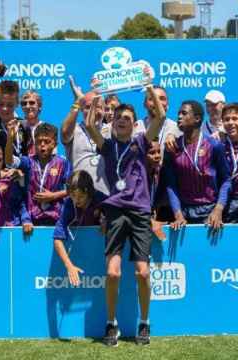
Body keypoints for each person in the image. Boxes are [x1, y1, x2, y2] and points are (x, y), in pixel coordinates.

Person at [84, 85, 165, 346]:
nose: (122, 120)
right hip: (115, 210)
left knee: (142, 272)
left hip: (140, 212)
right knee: (113, 273)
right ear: (113, 121)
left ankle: (144, 322)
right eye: (118, 117)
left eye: (128, 118)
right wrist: (96, 97)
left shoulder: (141, 142)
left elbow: (161, 117)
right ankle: (111, 323)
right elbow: (90, 126)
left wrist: (151, 90)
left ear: (134, 123)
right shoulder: (107, 146)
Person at [164, 100, 231, 230]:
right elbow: (171, 185)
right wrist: (177, 214)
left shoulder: (214, 145)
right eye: (178, 113)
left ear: (197, 118)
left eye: (184, 113)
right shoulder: (173, 147)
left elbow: (226, 180)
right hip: (183, 213)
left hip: (210, 212)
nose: (179, 117)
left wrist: (218, 209)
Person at [6, 122, 70, 226]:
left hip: (56, 219)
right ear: (34, 144)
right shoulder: (28, 162)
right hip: (31, 221)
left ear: (55, 144)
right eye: (39, 141)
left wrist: (53, 195)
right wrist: (9, 139)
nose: (42, 144)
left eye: (47, 141)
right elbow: (9, 161)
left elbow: (72, 190)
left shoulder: (62, 163)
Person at [53, 170, 106, 286]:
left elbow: (119, 216)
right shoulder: (69, 204)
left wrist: (108, 220)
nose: (76, 201)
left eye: (80, 197)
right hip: (79, 253)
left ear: (89, 192)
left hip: (100, 255)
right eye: (73, 196)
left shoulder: (101, 199)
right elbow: (57, 237)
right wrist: (69, 265)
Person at [61, 76, 110, 195]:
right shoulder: (75, 128)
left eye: (98, 106)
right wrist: (78, 102)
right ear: (81, 110)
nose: (93, 111)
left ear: (104, 110)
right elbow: (64, 133)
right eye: (88, 107)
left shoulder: (111, 129)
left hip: (107, 196)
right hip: (80, 197)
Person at [134, 85, 181, 154]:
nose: (157, 103)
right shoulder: (135, 127)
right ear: (144, 104)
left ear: (167, 104)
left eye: (162, 98)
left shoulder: (176, 128)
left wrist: (172, 135)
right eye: (152, 99)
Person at [20, 90, 44, 156]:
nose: (27, 106)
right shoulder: (16, 127)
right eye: (24, 104)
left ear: (39, 106)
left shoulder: (47, 128)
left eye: (32, 103)